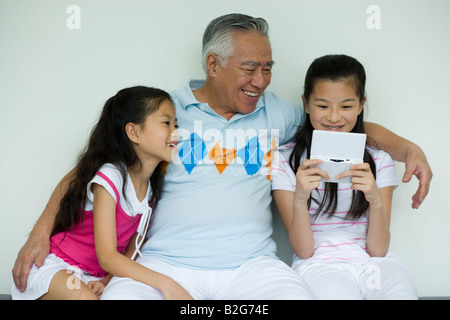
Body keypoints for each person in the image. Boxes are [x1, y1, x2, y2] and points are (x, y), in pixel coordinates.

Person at [13, 14, 431, 299]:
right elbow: (89, 169)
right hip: (167, 262)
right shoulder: (166, 112)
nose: (261, 81)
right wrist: (39, 233)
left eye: (268, 68)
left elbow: (342, 123)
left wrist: (407, 149)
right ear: (213, 64)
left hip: (252, 265)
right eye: (250, 68)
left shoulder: (279, 112)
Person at [11, 86, 193, 300]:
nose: (176, 132)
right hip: (57, 267)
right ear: (134, 132)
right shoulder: (111, 176)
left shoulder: (151, 188)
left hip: (92, 277)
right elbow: (107, 256)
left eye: (176, 124)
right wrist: (166, 283)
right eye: (166, 123)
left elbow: (133, 247)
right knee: (84, 298)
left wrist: (106, 281)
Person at [272, 54, 418, 299]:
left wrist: (375, 199)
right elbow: (304, 251)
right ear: (306, 104)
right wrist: (299, 199)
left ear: (361, 105)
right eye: (322, 105)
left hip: (374, 263)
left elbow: (379, 250)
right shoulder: (284, 161)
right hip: (319, 265)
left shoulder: (379, 160)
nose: (334, 117)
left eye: (347, 106)